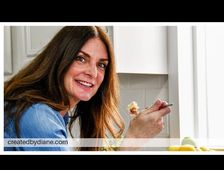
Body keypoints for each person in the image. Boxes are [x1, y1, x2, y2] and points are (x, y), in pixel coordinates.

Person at [4, 26, 171, 151]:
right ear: (59, 59)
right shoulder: (38, 117)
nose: (92, 73)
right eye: (81, 59)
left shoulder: (55, 114)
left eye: (101, 65)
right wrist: (134, 139)